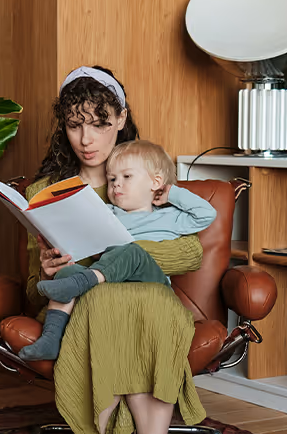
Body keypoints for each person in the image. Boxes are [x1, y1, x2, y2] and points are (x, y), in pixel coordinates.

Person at [24, 65, 207, 434]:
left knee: (152, 305)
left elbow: (189, 253)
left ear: (121, 118)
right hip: (80, 306)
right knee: (103, 303)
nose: (86, 138)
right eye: (74, 124)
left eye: (100, 123)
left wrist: (119, 257)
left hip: (149, 298)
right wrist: (48, 267)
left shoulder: (141, 171)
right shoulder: (45, 191)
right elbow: (33, 285)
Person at [19, 139, 217, 362]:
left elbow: (206, 214)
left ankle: (82, 282)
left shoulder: (170, 217)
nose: (116, 184)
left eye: (127, 177)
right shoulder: (107, 213)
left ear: (156, 182)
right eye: (112, 179)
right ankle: (51, 338)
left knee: (131, 251)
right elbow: (81, 231)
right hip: (110, 292)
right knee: (66, 274)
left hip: (150, 289)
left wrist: (171, 193)